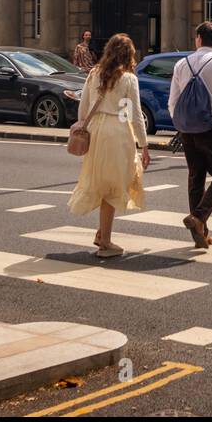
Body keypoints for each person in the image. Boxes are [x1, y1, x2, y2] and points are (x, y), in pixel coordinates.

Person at [68, 33, 149, 257]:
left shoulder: (94, 74)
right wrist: (144, 145)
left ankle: (102, 233)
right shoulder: (128, 79)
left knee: (103, 183)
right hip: (118, 131)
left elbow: (83, 109)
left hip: (96, 130)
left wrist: (86, 128)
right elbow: (133, 115)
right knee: (114, 186)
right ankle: (105, 241)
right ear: (129, 55)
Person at [168, 21, 212, 249]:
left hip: (187, 130)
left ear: (198, 38)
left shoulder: (181, 63)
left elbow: (173, 102)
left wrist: (182, 123)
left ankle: (201, 233)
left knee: (195, 178)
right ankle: (198, 217)